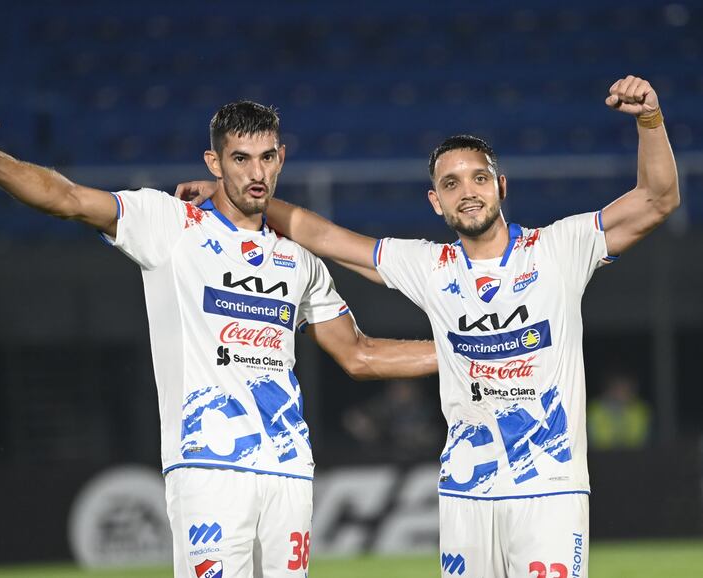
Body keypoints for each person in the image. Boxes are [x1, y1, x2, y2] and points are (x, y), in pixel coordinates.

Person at [176, 76, 679, 577]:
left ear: (501, 187)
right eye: (451, 184)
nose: (468, 192)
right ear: (435, 201)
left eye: (479, 178)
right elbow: (327, 237)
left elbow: (657, 200)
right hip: (465, 491)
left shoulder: (557, 250)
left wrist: (650, 121)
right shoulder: (431, 266)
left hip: (549, 488)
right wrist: (232, 196)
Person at [0, 101, 438, 578]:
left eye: (267, 158)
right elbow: (67, 199)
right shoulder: (172, 225)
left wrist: (462, 354)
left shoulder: (300, 260)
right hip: (208, 467)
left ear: (281, 158)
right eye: (240, 159)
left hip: (288, 472)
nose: (256, 173)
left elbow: (359, 354)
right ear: (214, 161)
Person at [587, 368, 652, 450]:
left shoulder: (640, 410)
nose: (623, 391)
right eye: (619, 387)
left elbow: (638, 439)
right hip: (601, 458)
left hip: (634, 457)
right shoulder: (595, 410)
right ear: (609, 389)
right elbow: (598, 440)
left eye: (627, 388)